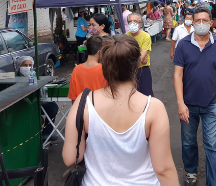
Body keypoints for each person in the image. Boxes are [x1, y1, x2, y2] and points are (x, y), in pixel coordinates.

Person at [62, 35, 179, 185]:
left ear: (103, 63)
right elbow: (163, 170)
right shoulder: (154, 108)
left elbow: (70, 158)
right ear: (138, 64)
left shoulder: (83, 102)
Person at [173, 6, 216, 186]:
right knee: (188, 142)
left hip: (212, 104)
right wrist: (181, 104)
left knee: (212, 146)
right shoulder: (183, 44)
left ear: (211, 22)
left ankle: (213, 182)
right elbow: (178, 75)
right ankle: (191, 172)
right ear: (192, 22)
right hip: (188, 104)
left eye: (205, 20)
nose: (201, 24)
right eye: (198, 20)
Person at [15, 56, 60, 141]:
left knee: (53, 106)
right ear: (19, 67)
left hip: (36, 103)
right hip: (22, 107)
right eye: (25, 65)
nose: (28, 67)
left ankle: (46, 134)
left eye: (30, 65)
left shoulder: (33, 75)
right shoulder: (14, 79)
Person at [68, 35, 108, 102]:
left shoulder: (77, 69)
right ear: (100, 52)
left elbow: (73, 98)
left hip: (82, 110)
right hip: (101, 109)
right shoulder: (105, 69)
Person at [126, 13, 154, 96]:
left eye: (135, 21)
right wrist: (139, 56)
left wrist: (138, 58)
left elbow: (140, 59)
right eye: (130, 21)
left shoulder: (146, 37)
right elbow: (122, 56)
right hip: (128, 71)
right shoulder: (125, 37)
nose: (132, 24)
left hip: (142, 71)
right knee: (130, 95)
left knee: (146, 95)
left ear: (140, 23)